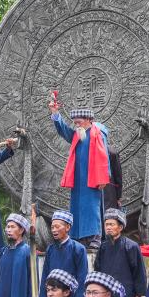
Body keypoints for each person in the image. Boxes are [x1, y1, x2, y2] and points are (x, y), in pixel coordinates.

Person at [49, 102, 111, 250]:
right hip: (77, 177)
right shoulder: (78, 133)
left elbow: (104, 157)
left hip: (92, 177)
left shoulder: (98, 133)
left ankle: (95, 237)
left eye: (79, 122)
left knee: (91, 207)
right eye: (75, 122)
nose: (76, 124)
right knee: (76, 207)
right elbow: (64, 130)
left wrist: (104, 177)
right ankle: (79, 237)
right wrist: (55, 113)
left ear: (88, 120)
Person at [38, 210, 88, 297]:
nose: (54, 230)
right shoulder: (50, 249)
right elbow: (45, 274)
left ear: (67, 227)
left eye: (57, 226)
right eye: (52, 227)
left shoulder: (78, 248)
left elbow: (82, 275)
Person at [102, 145, 123, 211]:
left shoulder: (85, 150)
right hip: (109, 194)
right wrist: (118, 196)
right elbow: (118, 176)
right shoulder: (111, 151)